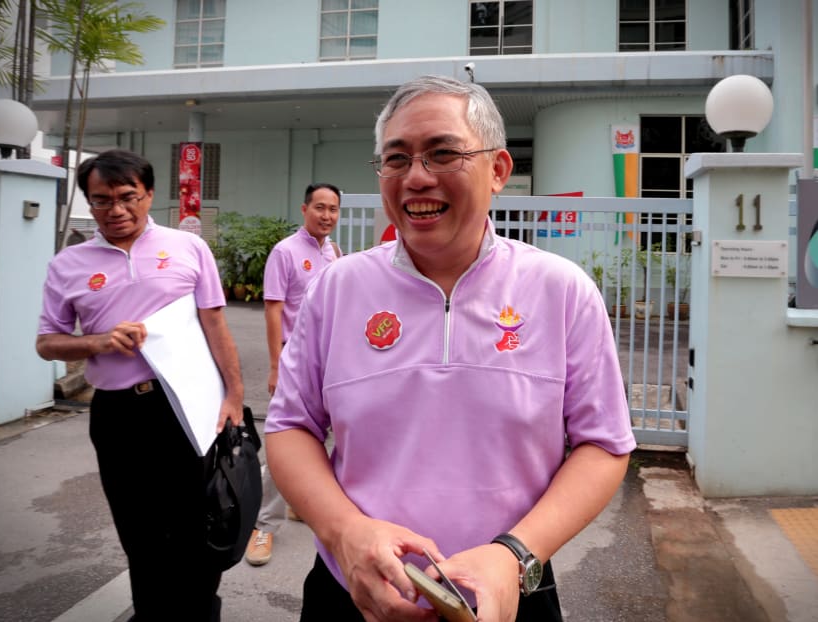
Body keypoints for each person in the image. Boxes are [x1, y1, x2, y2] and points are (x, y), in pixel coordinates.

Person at [264, 75, 636, 621]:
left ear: (498, 170)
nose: (416, 177)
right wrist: (345, 532)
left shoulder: (561, 290)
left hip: (512, 591)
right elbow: (290, 427)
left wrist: (514, 555)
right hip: (354, 590)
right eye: (396, 159)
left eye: (443, 154)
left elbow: (603, 444)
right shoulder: (337, 289)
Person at [36, 149, 244, 621]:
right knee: (140, 532)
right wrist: (99, 341)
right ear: (89, 202)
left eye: (128, 196)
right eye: (102, 200)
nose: (116, 210)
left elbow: (215, 325)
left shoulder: (188, 248)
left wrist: (234, 395)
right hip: (119, 415)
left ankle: (199, 614)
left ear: (149, 195)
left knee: (201, 523)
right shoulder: (68, 264)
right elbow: (47, 343)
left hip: (188, 406)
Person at [245, 182, 342, 566]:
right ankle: (263, 525)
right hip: (293, 357)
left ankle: (297, 502)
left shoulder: (333, 252)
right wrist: (275, 365)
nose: (326, 215)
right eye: (320, 207)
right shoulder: (285, 252)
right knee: (288, 438)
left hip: (329, 358)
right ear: (304, 210)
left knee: (323, 437)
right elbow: (273, 309)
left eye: (333, 209)